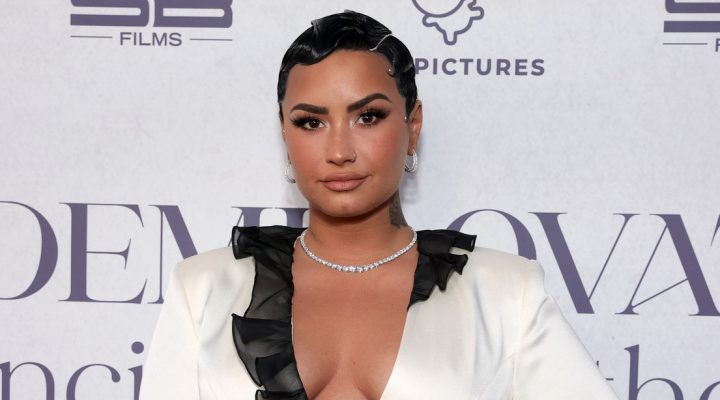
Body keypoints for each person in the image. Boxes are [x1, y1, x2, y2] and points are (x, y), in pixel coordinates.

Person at [139, 10, 620, 400]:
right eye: (311, 122)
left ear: (413, 126)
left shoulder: (505, 294)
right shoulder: (201, 289)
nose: (339, 151)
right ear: (284, 132)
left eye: (368, 116)